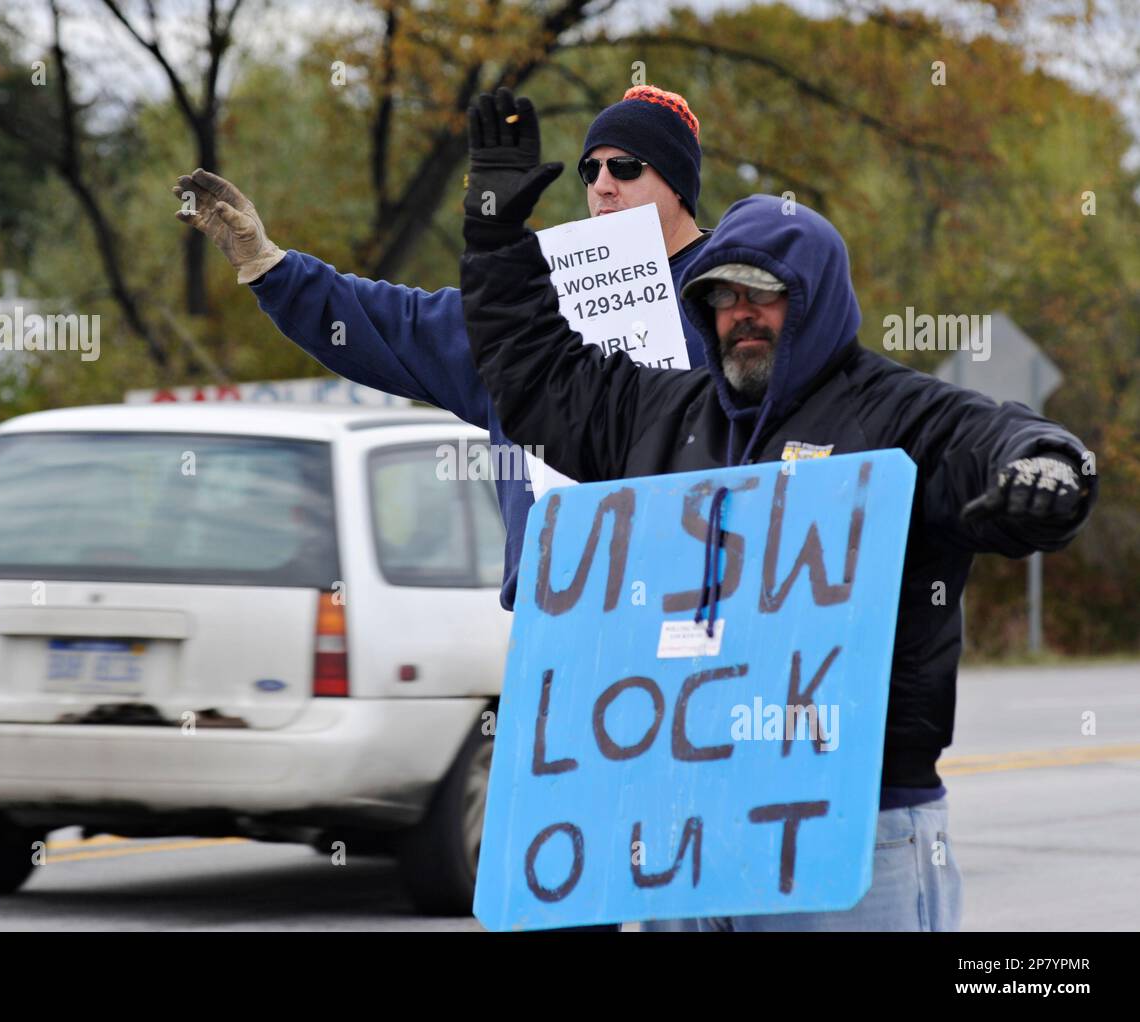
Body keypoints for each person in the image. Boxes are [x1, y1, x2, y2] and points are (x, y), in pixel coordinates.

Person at [457, 88, 1099, 932]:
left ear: (816, 297)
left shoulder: (896, 416)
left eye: (764, 294)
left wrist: (1049, 472)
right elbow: (539, 374)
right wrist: (498, 238)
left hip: (852, 841)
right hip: (686, 837)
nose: (741, 315)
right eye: (722, 296)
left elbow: (1005, 439)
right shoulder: (668, 415)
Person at [172, 85, 712, 614]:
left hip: (696, 601)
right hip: (557, 617)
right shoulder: (532, 304)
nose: (602, 186)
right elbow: (399, 324)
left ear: (679, 184)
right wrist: (274, 270)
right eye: (589, 170)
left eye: (625, 167)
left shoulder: (734, 296)